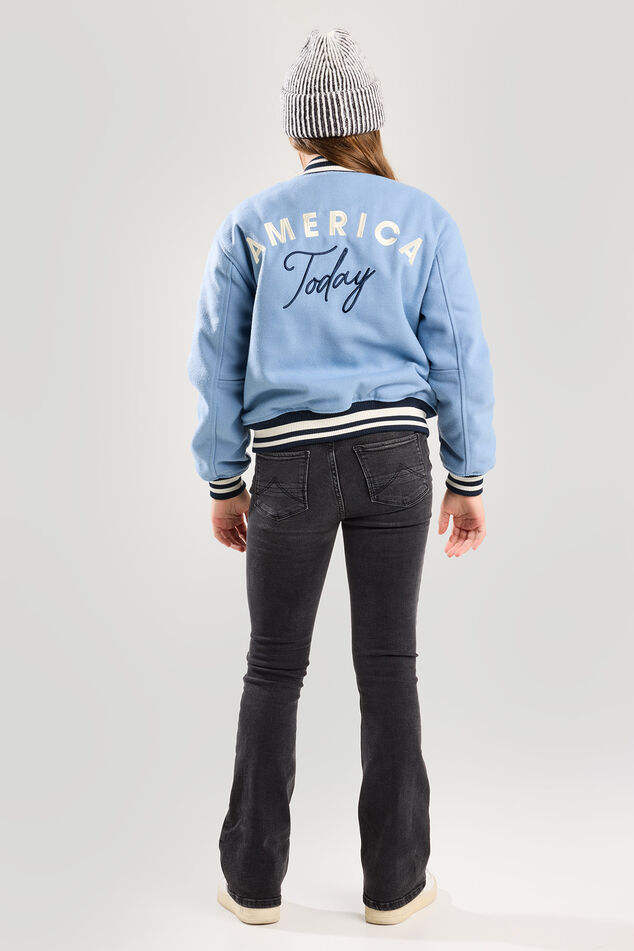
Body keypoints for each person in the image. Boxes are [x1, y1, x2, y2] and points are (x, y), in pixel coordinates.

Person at [188, 28, 495, 927]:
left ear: (297, 132)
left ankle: (253, 885)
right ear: (370, 123)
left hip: (288, 464)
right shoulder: (422, 218)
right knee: (389, 666)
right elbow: (460, 353)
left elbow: (216, 357)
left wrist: (224, 480)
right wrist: (468, 476)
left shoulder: (251, 222)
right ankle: (395, 886)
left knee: (273, 667)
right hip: (395, 459)